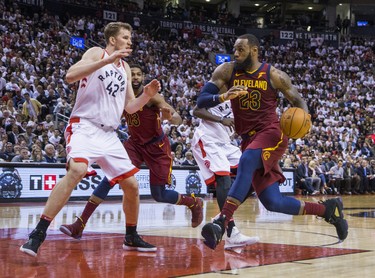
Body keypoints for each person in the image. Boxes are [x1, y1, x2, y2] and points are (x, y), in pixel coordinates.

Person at [20, 22, 161, 257]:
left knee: (132, 186)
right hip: (84, 126)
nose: (130, 41)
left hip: (109, 134)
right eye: (125, 37)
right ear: (113, 40)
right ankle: (38, 233)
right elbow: (70, 76)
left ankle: (131, 236)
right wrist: (106, 60)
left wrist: (146, 95)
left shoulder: (125, 67)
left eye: (130, 37)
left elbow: (129, 107)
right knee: (77, 170)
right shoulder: (97, 53)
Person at [196, 34, 348, 250]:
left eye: (241, 49)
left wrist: (304, 121)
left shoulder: (274, 75)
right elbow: (200, 102)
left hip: (272, 133)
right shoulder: (227, 71)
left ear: (255, 50)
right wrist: (223, 96)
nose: (236, 53)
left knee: (247, 160)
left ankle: (222, 221)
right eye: (235, 49)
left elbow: (298, 100)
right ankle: (328, 210)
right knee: (272, 202)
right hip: (249, 139)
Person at [58, 64, 203, 244]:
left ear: (143, 78)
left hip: (156, 147)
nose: (135, 77)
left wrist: (169, 116)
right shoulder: (122, 96)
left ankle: (193, 202)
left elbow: (175, 117)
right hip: (134, 144)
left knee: (159, 194)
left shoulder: (152, 97)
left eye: (138, 74)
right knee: (109, 179)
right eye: (132, 74)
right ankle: (80, 224)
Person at [192, 102, 259, 250]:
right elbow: (197, 110)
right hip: (208, 139)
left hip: (225, 143)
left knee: (255, 176)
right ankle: (231, 232)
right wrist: (221, 120)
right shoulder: (221, 85)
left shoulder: (245, 99)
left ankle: (222, 217)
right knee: (224, 178)